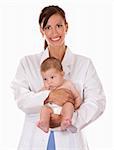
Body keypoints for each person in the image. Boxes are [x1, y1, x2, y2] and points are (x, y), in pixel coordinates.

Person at [11, 5, 106, 150]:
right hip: (34, 139)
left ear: (66, 27)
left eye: (59, 26)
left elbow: (97, 102)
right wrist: (51, 96)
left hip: (71, 139)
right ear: (41, 30)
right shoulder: (27, 63)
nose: (54, 32)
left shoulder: (84, 64)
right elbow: (21, 99)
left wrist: (68, 119)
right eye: (48, 27)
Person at [37, 57, 81, 133]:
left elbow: (77, 96)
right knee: (45, 109)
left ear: (62, 74)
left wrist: (75, 107)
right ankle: (44, 123)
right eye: (45, 79)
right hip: (51, 109)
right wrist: (45, 91)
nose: (49, 82)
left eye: (52, 77)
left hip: (64, 109)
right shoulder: (46, 88)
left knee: (69, 105)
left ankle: (65, 121)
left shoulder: (68, 84)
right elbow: (38, 97)